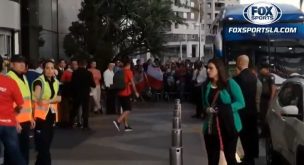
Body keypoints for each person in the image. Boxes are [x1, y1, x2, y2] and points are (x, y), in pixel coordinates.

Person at [202, 58, 245, 165]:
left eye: (211, 68)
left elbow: (241, 102)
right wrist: (207, 109)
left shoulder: (230, 83)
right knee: (212, 159)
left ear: (218, 69)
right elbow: (204, 104)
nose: (208, 70)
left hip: (229, 125)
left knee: (230, 158)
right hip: (211, 128)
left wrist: (225, 109)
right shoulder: (205, 86)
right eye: (207, 68)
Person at [5, 55, 35, 165]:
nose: (22, 64)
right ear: (12, 64)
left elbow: (27, 100)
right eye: (19, 62)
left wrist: (30, 117)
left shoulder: (24, 77)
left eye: (24, 62)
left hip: (25, 121)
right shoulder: (9, 78)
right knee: (13, 152)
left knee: (23, 150)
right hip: (14, 122)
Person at [32, 59, 62, 165]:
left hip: (51, 116)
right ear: (43, 69)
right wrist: (42, 100)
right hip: (41, 118)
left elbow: (59, 98)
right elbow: (36, 98)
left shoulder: (55, 82)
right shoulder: (39, 81)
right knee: (43, 147)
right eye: (47, 68)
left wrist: (48, 100)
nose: (50, 70)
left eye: (52, 68)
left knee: (46, 145)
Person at [0, 55, 27, 165]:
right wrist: (13, 114)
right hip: (8, 124)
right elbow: (20, 104)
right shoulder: (10, 82)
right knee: (15, 153)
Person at [234, 55, 259, 165]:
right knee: (252, 135)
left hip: (242, 111)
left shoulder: (239, 78)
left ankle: (246, 158)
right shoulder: (253, 76)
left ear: (239, 62)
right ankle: (251, 157)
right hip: (252, 110)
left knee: (244, 135)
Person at [113, 57, 139, 132]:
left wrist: (129, 83)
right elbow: (133, 84)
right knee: (128, 109)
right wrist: (136, 92)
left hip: (119, 92)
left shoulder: (121, 71)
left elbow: (126, 82)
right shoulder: (128, 71)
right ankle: (118, 121)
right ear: (129, 64)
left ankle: (126, 126)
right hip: (125, 93)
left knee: (125, 110)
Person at [70, 59, 95, 129]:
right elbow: (93, 84)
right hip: (85, 94)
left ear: (78, 64)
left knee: (74, 108)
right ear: (85, 65)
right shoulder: (89, 73)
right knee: (85, 109)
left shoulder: (75, 73)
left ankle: (70, 123)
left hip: (77, 93)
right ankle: (85, 125)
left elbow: (72, 84)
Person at [259, 64, 276, 136]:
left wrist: (271, 100)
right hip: (262, 98)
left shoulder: (270, 76)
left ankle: (267, 133)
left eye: (261, 69)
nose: (260, 70)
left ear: (266, 69)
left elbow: (273, 89)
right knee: (262, 116)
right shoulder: (261, 76)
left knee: (266, 116)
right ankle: (264, 132)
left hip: (267, 99)